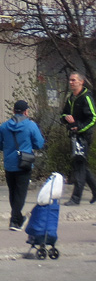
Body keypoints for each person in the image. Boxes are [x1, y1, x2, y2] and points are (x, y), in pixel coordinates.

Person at [0, 100, 45, 230]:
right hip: (24, 163)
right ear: (26, 112)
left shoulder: (4, 126)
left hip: (9, 164)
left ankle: (17, 218)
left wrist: (8, 149)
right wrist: (28, 146)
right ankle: (15, 220)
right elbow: (39, 143)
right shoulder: (31, 126)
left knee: (13, 192)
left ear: (13, 111)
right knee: (21, 193)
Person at [61, 70, 96, 205]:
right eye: (70, 80)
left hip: (84, 137)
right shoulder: (71, 98)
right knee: (81, 165)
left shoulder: (86, 97)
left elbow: (93, 118)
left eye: (73, 80)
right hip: (74, 136)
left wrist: (79, 127)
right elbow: (62, 115)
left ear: (81, 82)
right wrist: (67, 120)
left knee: (79, 166)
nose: (71, 82)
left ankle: (76, 199)